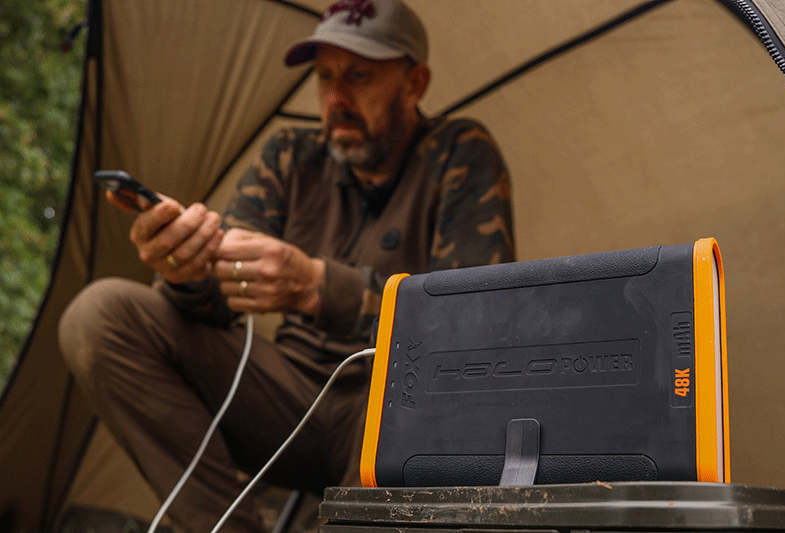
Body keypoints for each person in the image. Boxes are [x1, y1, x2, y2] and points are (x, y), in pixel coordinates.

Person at [58, 1, 515, 533]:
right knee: (100, 315)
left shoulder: (460, 153)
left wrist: (318, 287)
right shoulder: (291, 156)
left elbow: (474, 328)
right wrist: (187, 271)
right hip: (285, 398)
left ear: (414, 84)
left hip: (395, 401)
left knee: (424, 396)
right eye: (325, 77)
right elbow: (216, 302)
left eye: (359, 76)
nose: (336, 98)